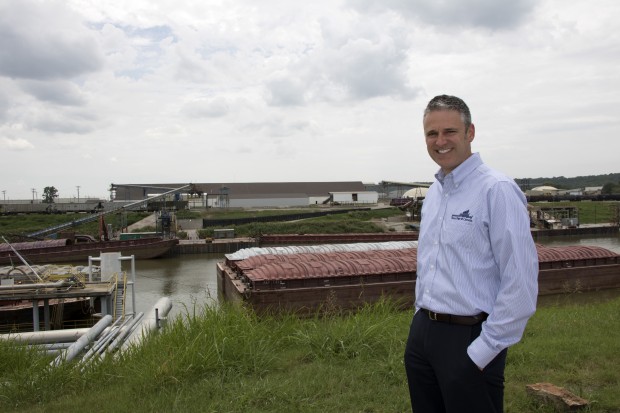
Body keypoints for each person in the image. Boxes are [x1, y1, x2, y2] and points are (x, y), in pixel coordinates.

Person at [404, 95, 539, 412]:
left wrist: (483, 350)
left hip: (470, 336)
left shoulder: (497, 190)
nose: (440, 141)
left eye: (449, 131)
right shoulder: (436, 191)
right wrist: (418, 326)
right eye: (431, 134)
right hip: (424, 333)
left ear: (470, 132)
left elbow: (520, 280)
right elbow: (429, 264)